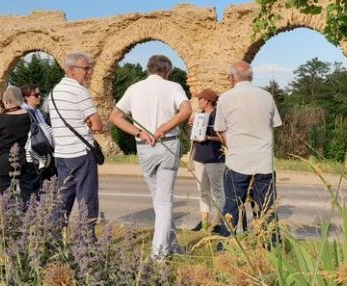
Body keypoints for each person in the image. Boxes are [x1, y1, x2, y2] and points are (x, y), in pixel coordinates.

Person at [109, 54, 192, 259]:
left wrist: (139, 132)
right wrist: (163, 128)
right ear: (166, 71)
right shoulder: (173, 87)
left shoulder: (134, 88)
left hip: (143, 146)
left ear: (149, 69)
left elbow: (114, 117)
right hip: (167, 144)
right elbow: (186, 110)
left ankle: (172, 246)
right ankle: (158, 255)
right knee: (163, 202)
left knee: (159, 200)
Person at [214, 61, 282, 239]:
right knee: (266, 209)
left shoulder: (225, 98)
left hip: (238, 161)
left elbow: (220, 129)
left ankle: (225, 249)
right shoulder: (266, 96)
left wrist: (232, 145)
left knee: (232, 207)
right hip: (263, 162)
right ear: (250, 77)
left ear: (233, 78)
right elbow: (274, 125)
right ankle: (271, 248)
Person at [49, 53, 103, 236]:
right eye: (85, 68)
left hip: (62, 154)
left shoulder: (54, 92)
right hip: (81, 153)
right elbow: (97, 124)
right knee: (86, 198)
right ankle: (87, 241)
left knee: (63, 197)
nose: (88, 73)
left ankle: (53, 239)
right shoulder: (79, 91)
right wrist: (88, 123)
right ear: (72, 70)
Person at [0, 85, 36, 204]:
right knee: (28, 196)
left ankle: (8, 220)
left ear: (5, 101)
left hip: (5, 161)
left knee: (6, 197)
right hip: (27, 160)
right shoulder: (31, 115)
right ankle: (29, 219)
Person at [190, 88, 224, 232]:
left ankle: (218, 223)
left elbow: (224, 138)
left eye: (201, 99)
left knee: (217, 192)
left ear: (208, 100)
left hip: (215, 158)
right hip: (200, 157)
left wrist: (209, 137)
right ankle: (204, 223)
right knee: (202, 191)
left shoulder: (218, 116)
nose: (198, 101)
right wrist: (194, 128)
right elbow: (194, 137)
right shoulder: (200, 116)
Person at [21, 83, 55, 182]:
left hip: (41, 150)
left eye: (39, 94)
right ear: (26, 97)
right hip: (33, 154)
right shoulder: (25, 113)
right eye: (36, 95)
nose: (39, 97)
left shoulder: (37, 112)